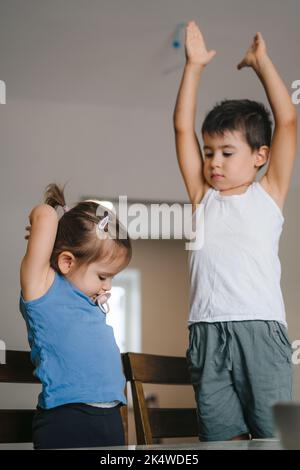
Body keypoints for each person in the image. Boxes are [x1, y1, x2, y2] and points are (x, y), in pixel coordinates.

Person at [173, 21, 297, 441]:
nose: (214, 162)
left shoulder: (269, 193)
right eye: (209, 152)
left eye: (227, 152)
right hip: (206, 332)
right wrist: (193, 67)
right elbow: (179, 129)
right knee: (219, 438)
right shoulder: (201, 197)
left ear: (261, 155)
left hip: (260, 332)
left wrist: (262, 65)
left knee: (274, 436)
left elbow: (289, 120)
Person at [20, 183, 132, 449]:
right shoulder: (42, 288)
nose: (108, 286)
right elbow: (45, 216)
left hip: (109, 415)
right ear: (67, 262)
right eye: (103, 276)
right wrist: (43, 237)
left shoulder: (90, 299)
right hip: (68, 418)